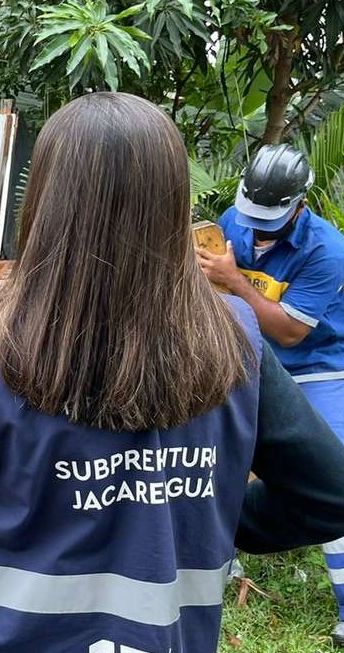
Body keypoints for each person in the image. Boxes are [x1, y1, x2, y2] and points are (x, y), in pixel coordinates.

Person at [0, 92, 344, 653]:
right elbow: (329, 495)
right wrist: (211, 509)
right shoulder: (233, 340)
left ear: (45, 202)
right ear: (173, 206)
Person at [198, 143, 344, 643]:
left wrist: (235, 280)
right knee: (206, 460)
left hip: (313, 369)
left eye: (269, 218)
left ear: (299, 204)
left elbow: (289, 334)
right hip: (243, 362)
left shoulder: (326, 249)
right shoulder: (230, 223)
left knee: (334, 474)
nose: (255, 227)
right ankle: (212, 569)